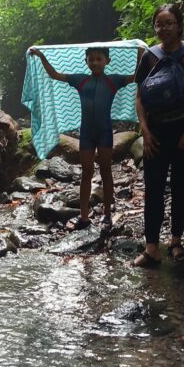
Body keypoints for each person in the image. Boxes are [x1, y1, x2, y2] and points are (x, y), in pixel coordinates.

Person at [132, 4, 184, 267]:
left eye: (169, 23)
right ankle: (151, 247)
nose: (163, 28)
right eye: (159, 24)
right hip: (156, 133)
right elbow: (139, 95)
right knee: (153, 188)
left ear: (179, 25)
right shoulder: (149, 57)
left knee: (181, 186)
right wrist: (144, 131)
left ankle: (176, 241)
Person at [28, 45, 142, 230]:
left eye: (99, 59)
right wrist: (41, 55)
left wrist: (139, 54)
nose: (95, 62)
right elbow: (54, 74)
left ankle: (107, 214)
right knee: (86, 173)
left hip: (104, 132)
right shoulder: (80, 80)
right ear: (86, 61)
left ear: (107, 61)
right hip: (87, 134)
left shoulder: (113, 80)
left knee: (106, 171)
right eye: (91, 59)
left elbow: (137, 76)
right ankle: (83, 216)